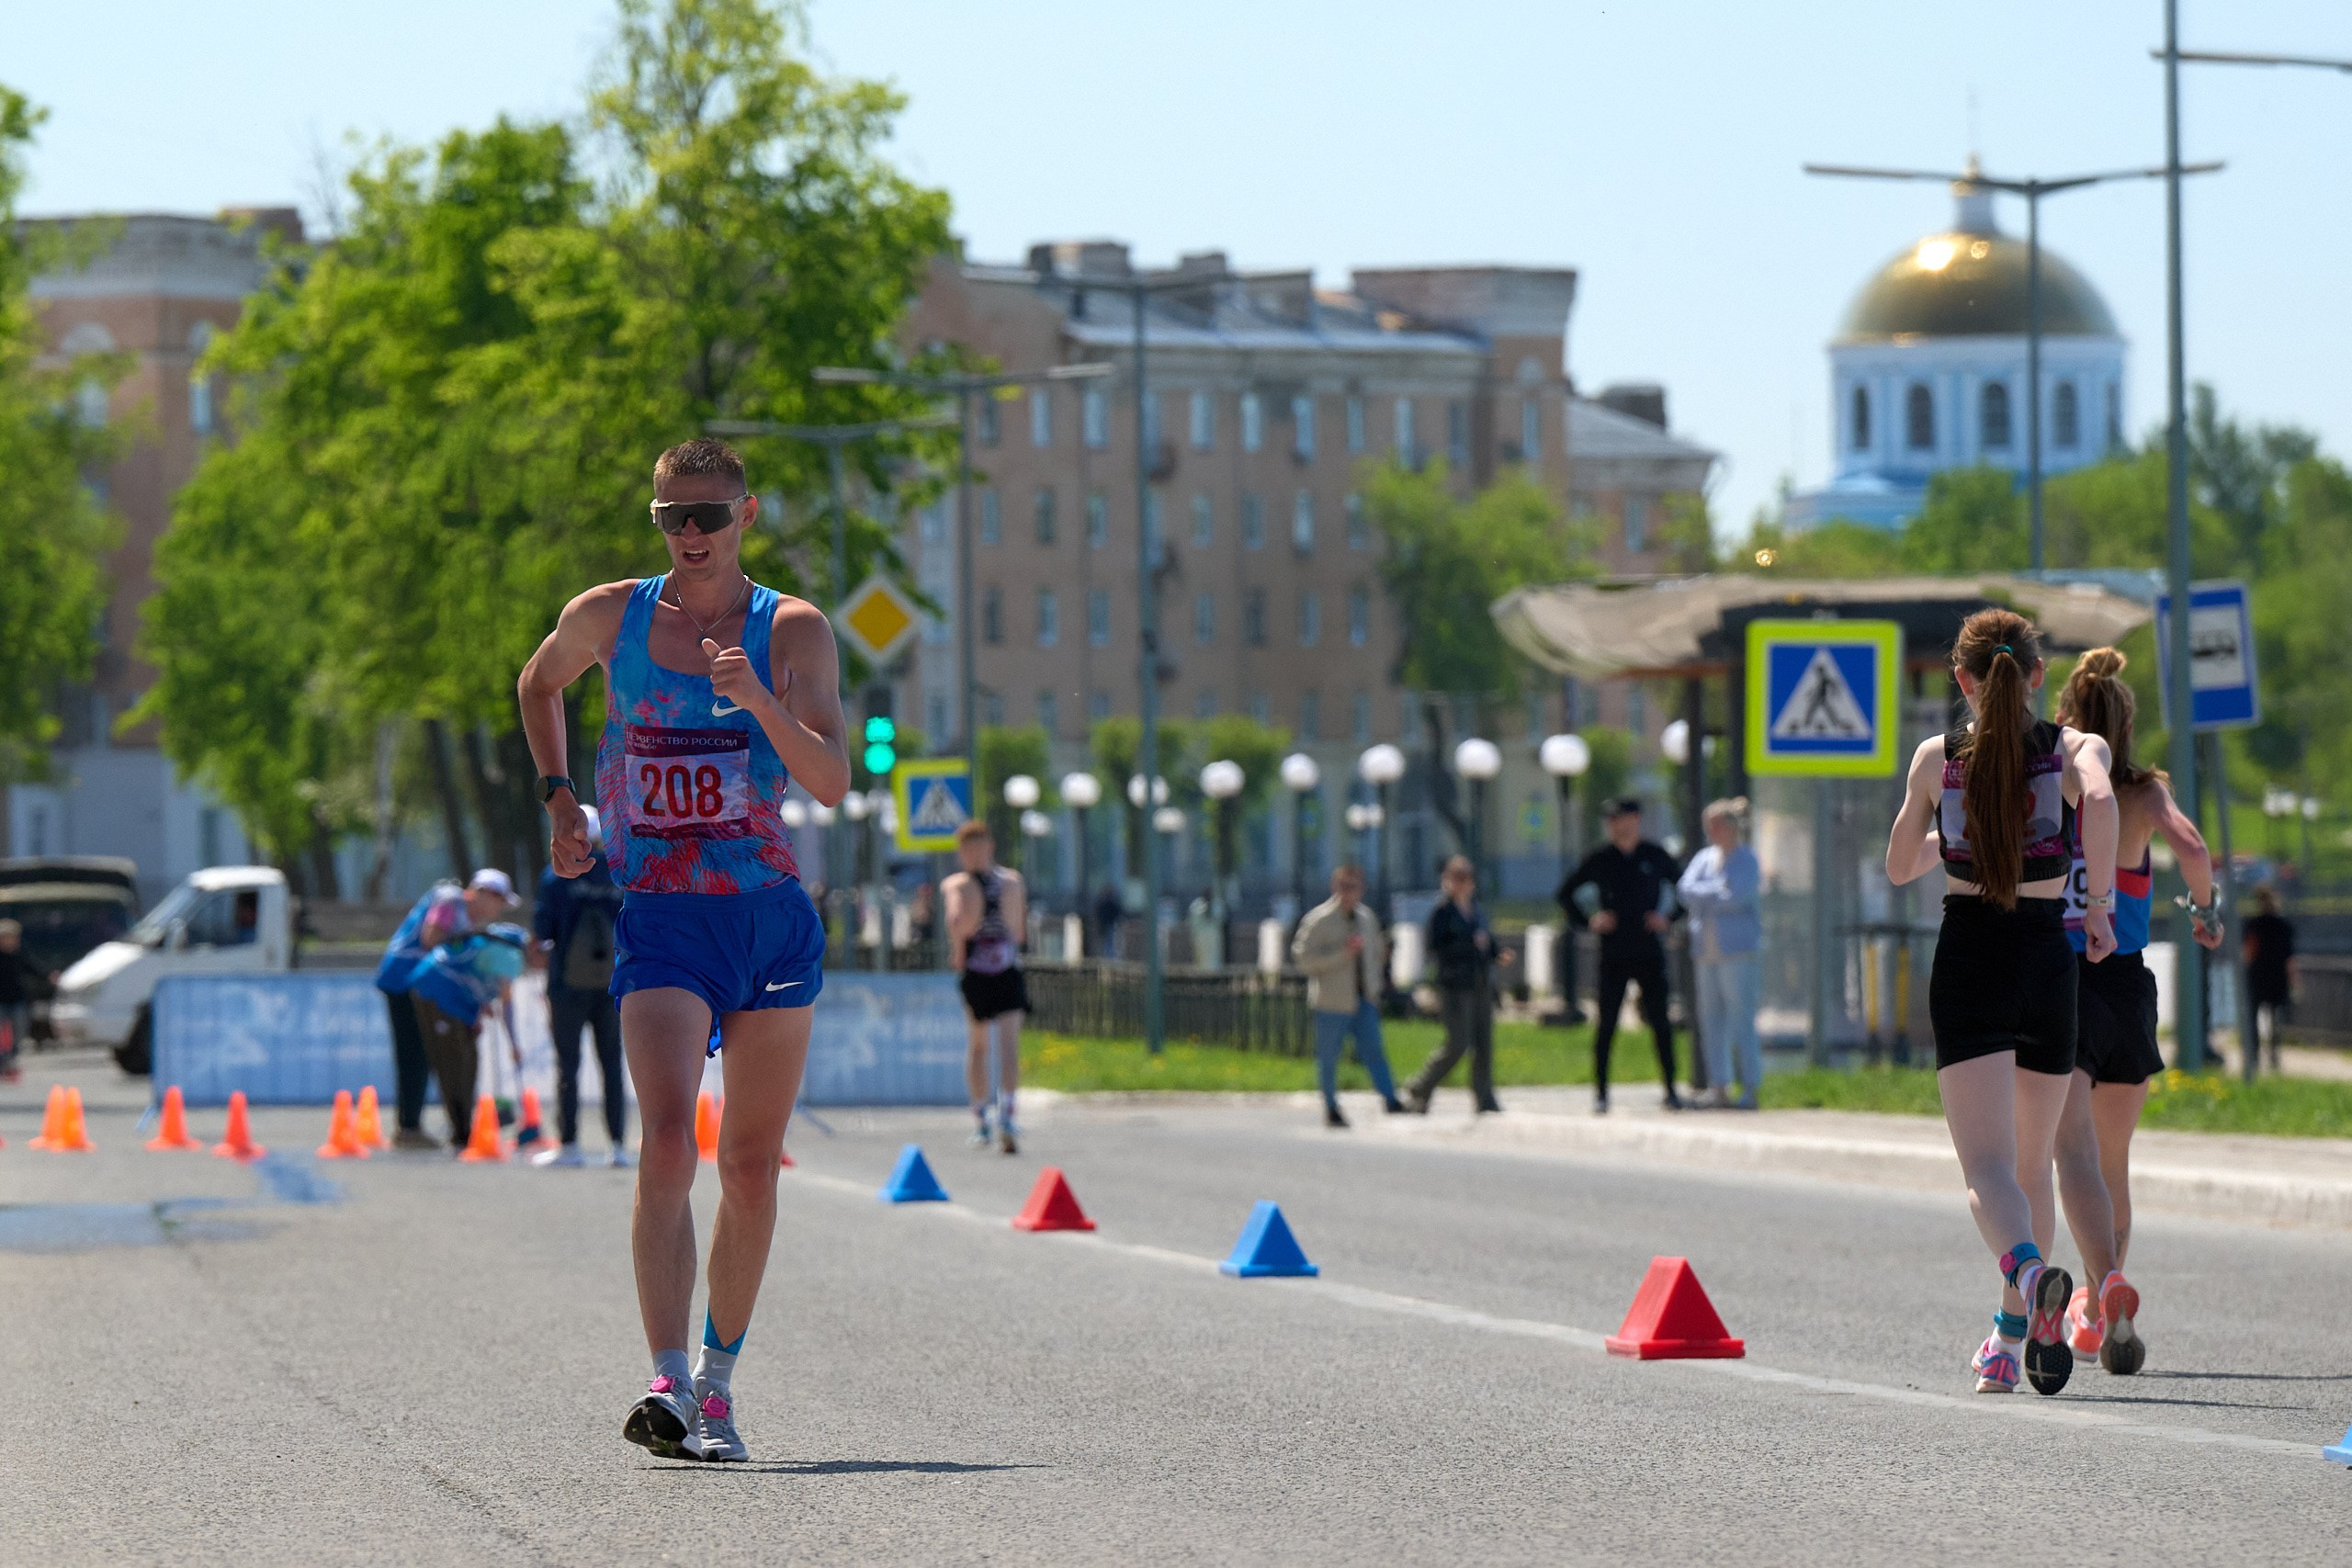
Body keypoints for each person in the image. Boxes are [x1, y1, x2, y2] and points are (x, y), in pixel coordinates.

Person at [518, 436, 846, 1464]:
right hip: (661, 910)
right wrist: (561, 799)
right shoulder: (610, 616)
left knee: (749, 1167)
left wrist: (756, 701)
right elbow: (537, 686)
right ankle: (663, 1382)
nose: (690, 534)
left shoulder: (790, 630)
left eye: (708, 514)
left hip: (769, 919)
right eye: (671, 517)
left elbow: (831, 779)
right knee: (669, 1141)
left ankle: (717, 1386)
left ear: (748, 514)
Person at [1886, 607, 2117, 1398]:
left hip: (1972, 958)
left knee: (1987, 1168)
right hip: (2049, 957)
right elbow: (2105, 804)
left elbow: (1895, 864)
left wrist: (1943, 844)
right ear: (2038, 676)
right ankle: (2010, 1333)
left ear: (1963, 679)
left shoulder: (1934, 758)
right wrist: (2100, 907)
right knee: (2031, 1167)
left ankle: (2026, 1272)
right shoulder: (2074, 747)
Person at [2045, 647, 2222, 1375]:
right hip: (2127, 984)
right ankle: (2098, 1302)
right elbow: (2193, 845)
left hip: (2067, 977)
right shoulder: (2148, 792)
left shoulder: (2055, 783)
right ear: (2125, 720)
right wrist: (2204, 910)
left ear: (2068, 718)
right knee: (2112, 1162)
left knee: (2070, 1155)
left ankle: (2092, 1293)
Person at [374, 870, 521, 1151]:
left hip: (419, 982)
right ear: (483, 893)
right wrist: (470, 936)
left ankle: (411, 1124)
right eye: (498, 901)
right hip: (405, 979)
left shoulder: (463, 912)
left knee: (425, 1054)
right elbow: (431, 937)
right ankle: (408, 1128)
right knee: (414, 1053)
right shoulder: (450, 899)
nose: (498, 910)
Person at [1557, 798, 1684, 1113]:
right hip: (1614, 950)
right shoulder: (1601, 858)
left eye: (1623, 819)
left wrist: (1668, 918)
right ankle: (1601, 1093)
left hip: (1648, 948)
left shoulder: (1654, 855)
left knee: (1660, 1021)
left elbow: (1686, 889)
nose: (1618, 825)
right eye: (1612, 820)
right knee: (1607, 1024)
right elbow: (1565, 893)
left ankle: (1670, 1088)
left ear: (1637, 820)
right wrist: (1589, 921)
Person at [534, 805, 629, 1168]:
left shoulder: (556, 877)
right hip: (612, 984)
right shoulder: (618, 875)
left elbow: (543, 931)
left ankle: (569, 1144)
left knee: (568, 1065)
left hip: (566, 983)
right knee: (612, 1064)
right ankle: (617, 1145)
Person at [1291, 863, 1406, 1128]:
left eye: (1354, 886)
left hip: (1363, 999)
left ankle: (1390, 1099)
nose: (1348, 892)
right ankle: (1331, 1107)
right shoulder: (1319, 920)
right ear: (1334, 886)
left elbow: (1376, 955)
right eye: (1343, 886)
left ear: (1361, 889)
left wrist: (1375, 987)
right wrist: (1341, 954)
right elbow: (1303, 959)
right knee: (1329, 1058)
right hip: (1332, 1001)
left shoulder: (1367, 919)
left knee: (1375, 1052)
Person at [403, 922, 533, 1146]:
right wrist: (513, 1043)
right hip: (437, 992)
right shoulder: (510, 956)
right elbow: (506, 1004)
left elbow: (477, 979)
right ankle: (462, 1132)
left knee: (467, 1059)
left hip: (454, 999)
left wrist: (477, 1013)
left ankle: (464, 1128)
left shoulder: (491, 948)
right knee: (454, 1061)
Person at [1402, 856, 1512, 1114]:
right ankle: (1421, 1086)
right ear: (1448, 882)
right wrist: (1469, 946)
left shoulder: (1477, 910)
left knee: (1484, 1044)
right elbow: (1436, 947)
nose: (1464, 884)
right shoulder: (1442, 913)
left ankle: (1485, 1097)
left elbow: (1486, 942)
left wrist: (1497, 953)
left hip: (1480, 983)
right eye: (1458, 878)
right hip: (1455, 986)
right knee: (1458, 1044)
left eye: (1467, 878)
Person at [944, 818, 1028, 1154]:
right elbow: (1018, 931)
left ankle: (985, 1119)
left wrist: (959, 951)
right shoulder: (1010, 882)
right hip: (1004, 968)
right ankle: (1003, 1115)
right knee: (1002, 1045)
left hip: (980, 970)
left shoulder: (958, 885)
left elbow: (956, 923)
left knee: (982, 1045)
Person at [1678, 798, 1763, 1111]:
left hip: (1738, 951)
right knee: (1711, 1019)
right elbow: (1685, 890)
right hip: (1706, 951)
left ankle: (1750, 1086)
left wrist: (1708, 894)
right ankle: (1718, 1085)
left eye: (1716, 825)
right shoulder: (1704, 858)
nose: (1711, 831)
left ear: (1730, 827)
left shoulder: (1747, 860)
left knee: (1741, 1018)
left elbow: (1737, 898)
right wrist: (1716, 889)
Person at [2244, 885, 2297, 1076]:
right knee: (2275, 1020)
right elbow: (2289, 957)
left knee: (2253, 1019)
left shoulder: (2253, 923)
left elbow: (2249, 950)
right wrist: (2294, 980)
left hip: (2257, 975)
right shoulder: (2284, 925)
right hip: (2277, 976)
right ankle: (2274, 1057)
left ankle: (2254, 1056)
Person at [0, 919, 56, 1081]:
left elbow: (32, 968)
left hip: (17, 998)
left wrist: (48, 976)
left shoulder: (19, 953)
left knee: (20, 1028)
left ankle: (12, 1057)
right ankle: (3, 1060)